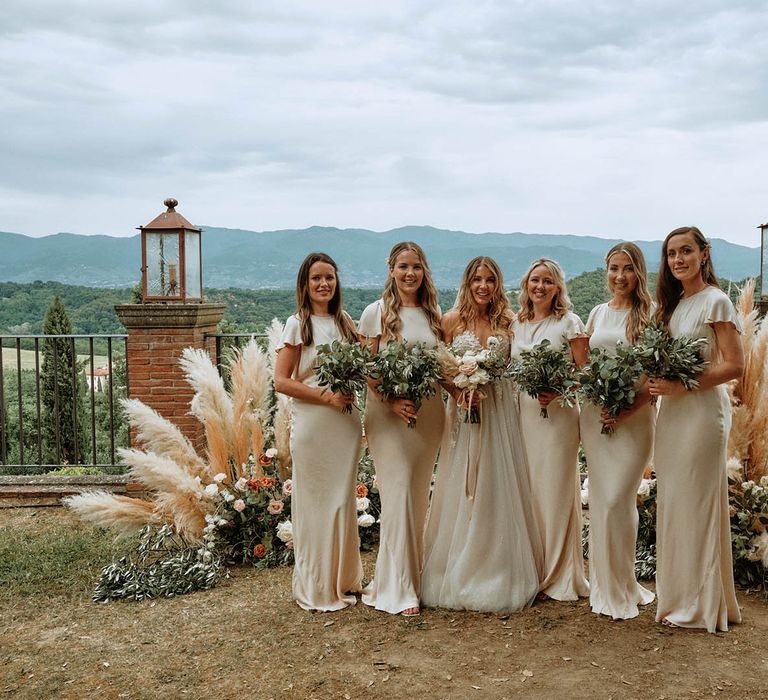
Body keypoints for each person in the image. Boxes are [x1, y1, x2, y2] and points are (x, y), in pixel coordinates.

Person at [421, 257, 542, 612]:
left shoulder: (509, 321)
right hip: (462, 410)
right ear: (467, 282)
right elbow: (439, 365)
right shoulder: (450, 320)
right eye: (477, 279)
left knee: (496, 481)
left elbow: (518, 362)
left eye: (490, 279)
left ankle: (498, 565)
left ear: (498, 284)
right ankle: (456, 564)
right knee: (463, 482)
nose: (483, 286)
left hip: (500, 410)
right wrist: (457, 389)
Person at [648, 226, 744, 632]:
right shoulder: (671, 306)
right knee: (675, 502)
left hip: (702, 414)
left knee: (699, 504)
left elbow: (734, 365)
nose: (678, 260)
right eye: (671, 253)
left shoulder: (717, 302)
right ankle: (681, 596)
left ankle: (701, 606)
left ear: (704, 254)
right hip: (671, 415)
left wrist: (680, 384)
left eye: (686, 251)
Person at [358, 241, 445, 616]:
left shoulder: (433, 313)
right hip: (387, 416)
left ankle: (413, 576)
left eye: (417, 267)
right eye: (403, 267)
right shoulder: (374, 313)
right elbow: (366, 367)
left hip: (428, 416)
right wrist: (392, 402)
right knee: (396, 497)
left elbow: (441, 364)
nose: (410, 273)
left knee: (417, 497)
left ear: (424, 272)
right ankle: (398, 588)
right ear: (391, 270)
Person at [274, 252, 363, 611]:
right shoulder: (298, 324)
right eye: (316, 279)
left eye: (329, 277)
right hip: (315, 422)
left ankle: (343, 579)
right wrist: (325, 397)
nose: (324, 284)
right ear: (305, 285)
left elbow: (366, 363)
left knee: (342, 501)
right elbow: (281, 381)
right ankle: (316, 586)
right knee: (315, 503)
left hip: (345, 422)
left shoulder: (346, 323)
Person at [579, 242, 655, 619]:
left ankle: (622, 584)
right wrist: (598, 399)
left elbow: (656, 375)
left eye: (627, 268)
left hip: (635, 418)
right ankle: (605, 583)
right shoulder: (596, 312)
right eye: (613, 268)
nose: (620, 276)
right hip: (595, 417)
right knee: (601, 497)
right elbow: (586, 363)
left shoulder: (652, 315)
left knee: (618, 500)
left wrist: (626, 408)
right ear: (605, 271)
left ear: (638, 272)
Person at [510, 258, 590, 601]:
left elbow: (585, 373)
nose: (539, 287)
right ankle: (531, 566)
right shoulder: (515, 324)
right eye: (534, 280)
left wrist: (559, 388)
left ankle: (558, 572)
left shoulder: (570, 323)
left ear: (557, 287)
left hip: (558, 416)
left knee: (555, 491)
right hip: (522, 417)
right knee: (527, 490)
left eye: (547, 281)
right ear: (526, 285)